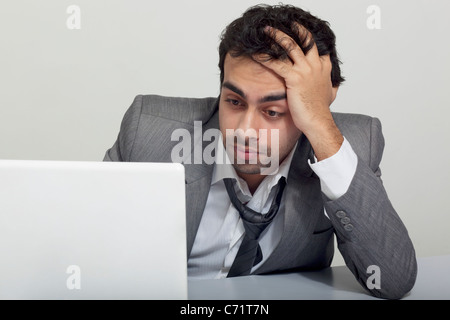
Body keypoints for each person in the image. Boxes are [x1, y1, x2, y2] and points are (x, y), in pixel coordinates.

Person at [104, 4, 417, 299]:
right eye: (235, 102)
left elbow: (393, 279)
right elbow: (89, 252)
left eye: (273, 111)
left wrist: (322, 128)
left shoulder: (351, 143)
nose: (244, 130)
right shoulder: (148, 129)